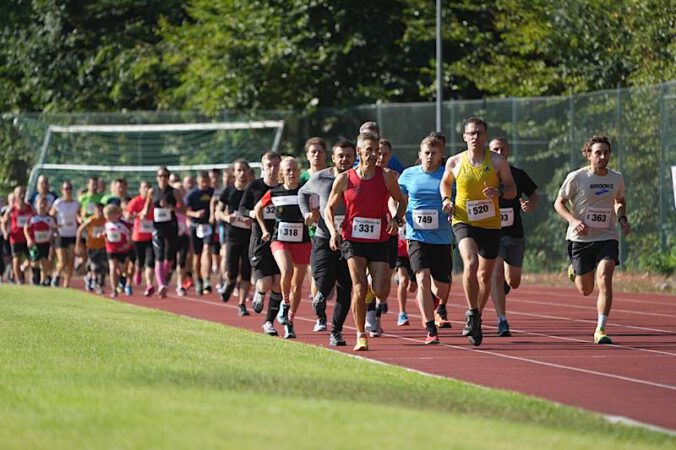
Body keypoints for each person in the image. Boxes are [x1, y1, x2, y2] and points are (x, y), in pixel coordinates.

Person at [325, 131, 407, 351]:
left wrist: (397, 219)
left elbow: (402, 200)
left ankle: (373, 289)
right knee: (358, 287)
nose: (373, 155)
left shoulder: (388, 176)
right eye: (368, 150)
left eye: (377, 151)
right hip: (353, 240)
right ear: (359, 152)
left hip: (379, 239)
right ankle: (361, 334)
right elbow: (329, 209)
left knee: (381, 291)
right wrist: (333, 231)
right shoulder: (344, 179)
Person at [440, 117, 516, 346]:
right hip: (463, 220)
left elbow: (512, 190)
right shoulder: (454, 161)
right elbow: (445, 183)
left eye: (480, 133)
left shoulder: (498, 161)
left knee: (485, 276)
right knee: (470, 264)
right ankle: (473, 312)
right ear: (464, 137)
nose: (475, 137)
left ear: (485, 136)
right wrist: (446, 199)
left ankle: (476, 317)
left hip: (490, 225)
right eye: (471, 133)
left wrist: (499, 190)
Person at [554, 135, 630, 345]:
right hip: (581, 238)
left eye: (606, 152)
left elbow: (619, 200)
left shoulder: (616, 178)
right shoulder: (577, 177)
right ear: (588, 155)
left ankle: (600, 328)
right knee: (586, 289)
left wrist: (622, 217)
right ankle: (574, 271)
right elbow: (559, 203)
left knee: (604, 278)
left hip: (607, 236)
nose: (603, 156)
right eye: (598, 153)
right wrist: (572, 220)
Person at [299, 139, 356, 346]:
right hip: (323, 236)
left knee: (346, 286)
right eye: (340, 156)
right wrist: (307, 214)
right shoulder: (320, 177)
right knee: (323, 279)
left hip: (351, 239)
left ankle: (336, 331)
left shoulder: (359, 178)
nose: (344, 159)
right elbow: (302, 194)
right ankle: (321, 295)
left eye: (349, 156)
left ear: (354, 157)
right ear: (333, 158)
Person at [399, 136, 455, 344]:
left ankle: (429, 299)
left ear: (442, 156)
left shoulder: (449, 176)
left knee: (440, 289)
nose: (430, 157)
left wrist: (452, 207)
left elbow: (458, 199)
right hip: (416, 235)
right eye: (426, 153)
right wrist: (396, 214)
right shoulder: (408, 175)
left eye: (434, 153)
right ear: (419, 154)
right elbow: (395, 196)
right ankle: (431, 330)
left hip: (442, 238)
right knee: (422, 278)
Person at [484, 138, 539, 337]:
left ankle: (504, 286)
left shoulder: (517, 174)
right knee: (496, 274)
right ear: (489, 152)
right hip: (492, 233)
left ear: (508, 151)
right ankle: (502, 320)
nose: (498, 152)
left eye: (502, 149)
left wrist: (529, 204)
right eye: (494, 149)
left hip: (514, 234)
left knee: (513, 281)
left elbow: (534, 195)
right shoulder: (483, 174)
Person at [255, 157, 311, 339]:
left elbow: (316, 210)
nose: (292, 173)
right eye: (288, 170)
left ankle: (289, 321)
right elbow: (257, 209)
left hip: (302, 242)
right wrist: (264, 230)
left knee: (297, 285)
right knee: (286, 271)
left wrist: (312, 217)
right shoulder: (275, 193)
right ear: (282, 173)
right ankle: (285, 304)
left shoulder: (305, 191)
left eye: (294, 169)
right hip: (280, 240)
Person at [239, 152, 283, 336]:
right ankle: (259, 292)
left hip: (281, 240)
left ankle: (268, 323)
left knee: (278, 283)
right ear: (262, 167)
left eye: (275, 165)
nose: (272, 169)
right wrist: (253, 214)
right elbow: (242, 208)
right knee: (265, 282)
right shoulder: (255, 186)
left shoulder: (284, 188)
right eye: (269, 165)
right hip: (260, 239)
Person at [217, 159, 253, 314]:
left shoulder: (253, 191)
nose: (242, 173)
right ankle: (230, 283)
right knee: (231, 271)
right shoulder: (228, 191)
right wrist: (226, 218)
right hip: (232, 236)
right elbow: (217, 211)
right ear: (234, 172)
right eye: (239, 170)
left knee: (246, 271)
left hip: (249, 236)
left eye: (244, 170)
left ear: (249, 171)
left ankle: (242, 305)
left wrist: (252, 219)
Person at [146, 166, 182, 298]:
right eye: (160, 176)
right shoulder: (152, 192)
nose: (163, 178)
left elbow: (182, 209)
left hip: (171, 226)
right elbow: (146, 209)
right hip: (157, 228)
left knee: (169, 257)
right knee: (159, 255)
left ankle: (164, 279)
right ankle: (161, 285)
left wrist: (170, 207)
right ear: (157, 177)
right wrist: (141, 214)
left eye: (166, 176)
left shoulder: (174, 192)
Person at [186, 171, 216, 296]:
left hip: (208, 226)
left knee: (207, 249)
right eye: (202, 181)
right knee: (197, 255)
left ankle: (207, 279)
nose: (205, 184)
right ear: (198, 181)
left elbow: (217, 205)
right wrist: (195, 214)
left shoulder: (212, 192)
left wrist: (213, 215)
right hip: (196, 227)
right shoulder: (192, 195)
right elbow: (186, 212)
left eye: (206, 181)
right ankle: (198, 279)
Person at [127, 181, 156, 297]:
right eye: (144, 187)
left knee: (150, 261)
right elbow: (127, 216)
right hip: (138, 237)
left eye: (149, 187)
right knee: (139, 261)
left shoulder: (155, 201)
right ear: (140, 189)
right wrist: (138, 215)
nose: (147, 189)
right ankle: (138, 271)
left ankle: (149, 285)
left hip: (151, 236)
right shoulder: (135, 201)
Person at [50, 181, 81, 287]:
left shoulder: (76, 204)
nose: (68, 191)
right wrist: (54, 225)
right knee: (62, 260)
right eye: (65, 189)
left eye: (69, 188)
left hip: (72, 234)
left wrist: (82, 221)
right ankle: (57, 274)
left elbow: (78, 216)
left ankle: (66, 283)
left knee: (71, 260)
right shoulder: (58, 203)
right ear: (62, 190)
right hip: (61, 234)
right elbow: (51, 215)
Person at [2, 186, 33, 284]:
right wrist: (5, 232)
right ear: (15, 195)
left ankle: (22, 269)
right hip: (15, 237)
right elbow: (4, 221)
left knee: (32, 259)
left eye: (23, 193)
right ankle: (19, 280)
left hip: (27, 237)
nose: (22, 195)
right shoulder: (12, 208)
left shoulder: (29, 207)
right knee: (16, 258)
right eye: (19, 193)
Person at [24, 195, 57, 286]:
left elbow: (54, 229)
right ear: (36, 205)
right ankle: (33, 275)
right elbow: (26, 228)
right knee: (34, 262)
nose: (42, 205)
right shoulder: (33, 218)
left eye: (44, 203)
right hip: (35, 243)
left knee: (44, 260)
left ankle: (43, 280)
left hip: (45, 243)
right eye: (40, 203)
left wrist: (53, 235)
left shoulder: (49, 218)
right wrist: (29, 239)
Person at [75, 202, 107, 294]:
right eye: (98, 211)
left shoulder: (105, 220)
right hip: (92, 247)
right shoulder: (91, 220)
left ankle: (96, 282)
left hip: (103, 247)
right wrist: (78, 245)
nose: (100, 213)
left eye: (101, 210)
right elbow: (80, 230)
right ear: (94, 211)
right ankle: (94, 282)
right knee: (95, 266)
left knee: (103, 267)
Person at [102, 204, 133, 298]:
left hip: (122, 250)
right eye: (106, 215)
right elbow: (106, 235)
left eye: (108, 215)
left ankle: (123, 280)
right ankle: (114, 289)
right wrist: (104, 236)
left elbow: (131, 233)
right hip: (111, 250)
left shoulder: (123, 224)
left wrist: (127, 245)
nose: (106, 217)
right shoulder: (106, 224)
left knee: (122, 270)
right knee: (112, 268)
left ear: (116, 215)